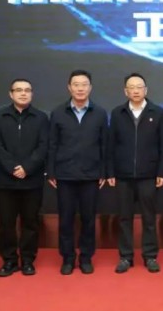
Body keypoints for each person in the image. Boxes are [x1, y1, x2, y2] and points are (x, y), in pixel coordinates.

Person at [47, 70, 108, 275]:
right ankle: (67, 257)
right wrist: (51, 172)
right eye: (76, 84)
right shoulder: (58, 113)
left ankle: (86, 257)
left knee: (88, 219)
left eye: (84, 84)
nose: (80, 88)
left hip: (91, 175)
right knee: (66, 219)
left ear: (90, 88)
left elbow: (104, 145)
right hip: (65, 175)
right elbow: (52, 144)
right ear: (69, 88)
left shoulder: (100, 113)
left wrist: (103, 172)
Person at [108, 72, 163, 273]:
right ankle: (126, 257)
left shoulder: (158, 113)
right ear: (125, 91)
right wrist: (110, 172)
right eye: (131, 87)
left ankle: (150, 256)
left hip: (149, 175)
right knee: (124, 218)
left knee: (149, 218)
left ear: (146, 90)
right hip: (123, 175)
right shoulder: (117, 113)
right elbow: (110, 145)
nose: (135, 90)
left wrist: (162, 172)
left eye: (139, 87)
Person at [0, 78, 49, 277]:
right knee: (6, 223)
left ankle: (28, 260)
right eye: (18, 90)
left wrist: (27, 168)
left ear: (32, 94)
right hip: (5, 180)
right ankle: (9, 261)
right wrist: (12, 167)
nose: (23, 93)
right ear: (11, 94)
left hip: (32, 180)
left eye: (27, 90)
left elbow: (44, 146)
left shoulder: (41, 118)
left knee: (30, 222)